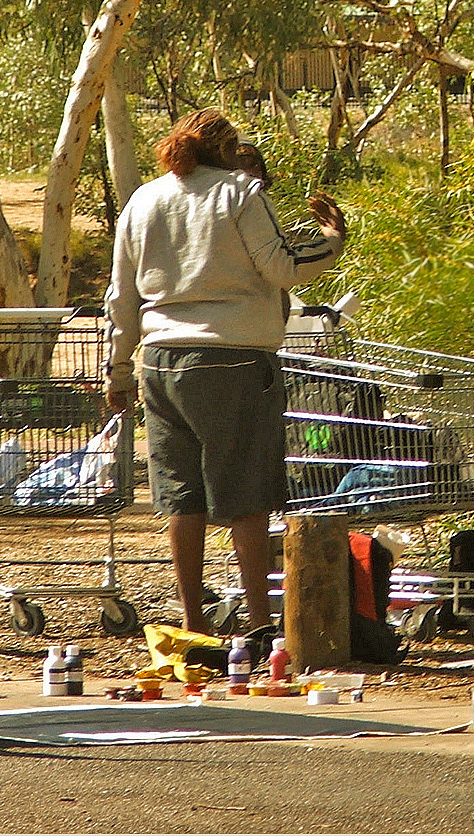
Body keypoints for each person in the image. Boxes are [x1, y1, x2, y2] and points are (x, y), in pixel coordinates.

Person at [103, 109, 348, 634]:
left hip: (160, 363)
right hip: (233, 359)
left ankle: (192, 627)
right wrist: (331, 240)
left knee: (181, 496)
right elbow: (283, 267)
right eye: (238, 147)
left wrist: (117, 370)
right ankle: (261, 625)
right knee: (246, 493)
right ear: (224, 149)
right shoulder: (240, 192)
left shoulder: (143, 199)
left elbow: (121, 296)